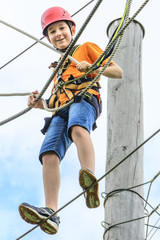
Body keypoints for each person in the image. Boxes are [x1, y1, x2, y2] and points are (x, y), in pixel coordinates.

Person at [18, 6, 123, 235]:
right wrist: (40, 104)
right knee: (48, 155)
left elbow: (118, 72)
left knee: (78, 129)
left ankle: (89, 177)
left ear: (71, 29)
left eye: (61, 28)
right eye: (52, 31)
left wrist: (93, 66)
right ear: (48, 38)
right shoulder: (57, 70)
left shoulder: (85, 48)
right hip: (61, 111)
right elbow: (56, 102)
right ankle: (51, 211)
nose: (58, 34)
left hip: (84, 101)